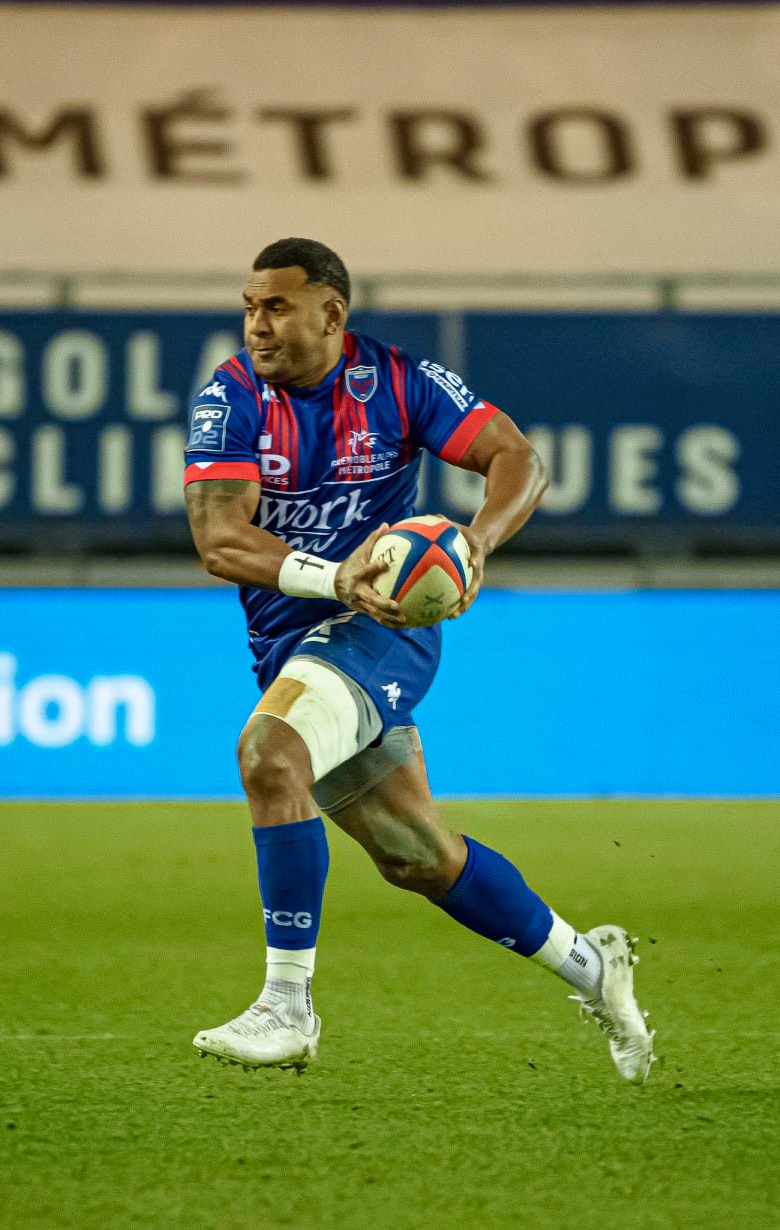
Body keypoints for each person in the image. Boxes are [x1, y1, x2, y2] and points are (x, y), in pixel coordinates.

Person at [182, 237, 655, 1082]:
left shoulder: (400, 381)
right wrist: (336, 577)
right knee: (417, 855)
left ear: (332, 313)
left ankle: (286, 1006)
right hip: (296, 636)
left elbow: (516, 457)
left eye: (277, 307)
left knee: (269, 755)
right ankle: (594, 968)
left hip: (386, 628)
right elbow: (219, 540)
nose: (257, 325)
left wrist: (477, 542)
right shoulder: (232, 396)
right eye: (250, 307)